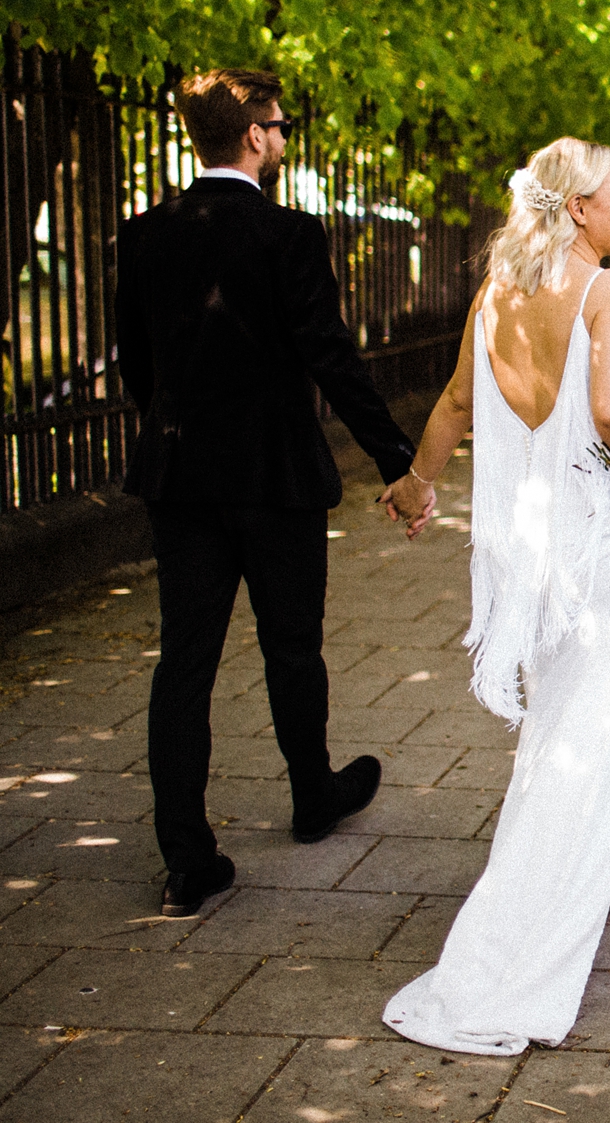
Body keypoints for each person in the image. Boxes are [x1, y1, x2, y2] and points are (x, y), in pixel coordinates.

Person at [378, 138, 610, 1055]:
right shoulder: (609, 292)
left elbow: (459, 405)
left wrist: (416, 485)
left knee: (560, 718)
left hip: (534, 543)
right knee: (597, 721)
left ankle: (584, 860)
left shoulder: (498, 292)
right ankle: (544, 903)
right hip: (598, 544)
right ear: (579, 209)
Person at [115, 69, 417, 918]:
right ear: (254, 135)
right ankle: (311, 794)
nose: (285, 140)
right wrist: (398, 460)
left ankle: (186, 856)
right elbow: (330, 354)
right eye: (280, 128)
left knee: (185, 659)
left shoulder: (143, 235)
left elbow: (140, 365)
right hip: (275, 475)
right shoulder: (288, 234)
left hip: (182, 478)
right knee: (292, 644)